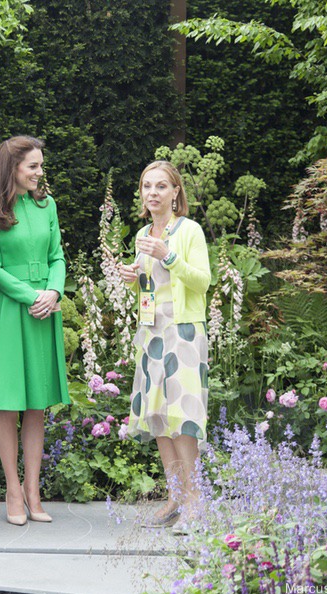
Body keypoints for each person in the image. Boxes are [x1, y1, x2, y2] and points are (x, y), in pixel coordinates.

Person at [0, 136, 69, 526]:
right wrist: (31, 294)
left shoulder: (48, 206)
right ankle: (13, 490)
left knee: (36, 406)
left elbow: (58, 256)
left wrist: (54, 291)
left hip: (46, 310)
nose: (39, 172)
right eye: (33, 166)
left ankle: (34, 490)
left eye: (40, 166)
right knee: (8, 404)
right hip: (13, 312)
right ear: (12, 167)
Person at [118, 160, 210, 531]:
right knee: (158, 415)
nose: (152, 193)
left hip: (184, 331)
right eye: (146, 186)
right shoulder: (143, 232)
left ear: (175, 193)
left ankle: (195, 502)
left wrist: (166, 255)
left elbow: (202, 281)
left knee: (182, 417)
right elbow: (149, 286)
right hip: (152, 332)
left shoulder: (189, 231)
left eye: (160, 187)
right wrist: (132, 278)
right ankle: (174, 497)